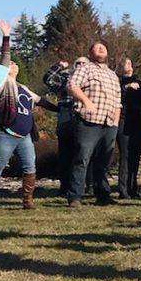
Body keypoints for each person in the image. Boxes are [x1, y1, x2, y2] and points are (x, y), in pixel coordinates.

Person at [0, 22, 58, 212]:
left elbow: (41, 101)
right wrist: (6, 37)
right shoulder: (1, 84)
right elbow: (5, 61)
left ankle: (27, 200)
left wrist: (60, 109)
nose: (13, 65)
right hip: (5, 134)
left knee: (30, 167)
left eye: (15, 64)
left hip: (24, 137)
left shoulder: (24, 89)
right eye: (10, 65)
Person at [68, 43, 122, 207]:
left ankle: (103, 195)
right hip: (88, 122)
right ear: (90, 53)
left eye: (104, 47)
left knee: (103, 162)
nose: (101, 49)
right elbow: (72, 85)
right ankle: (75, 196)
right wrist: (86, 101)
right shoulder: (85, 68)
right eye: (97, 47)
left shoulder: (112, 74)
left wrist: (115, 122)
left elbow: (118, 101)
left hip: (109, 124)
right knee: (82, 159)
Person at [43, 57, 81, 197]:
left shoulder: (91, 80)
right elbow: (48, 78)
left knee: (82, 154)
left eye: (84, 63)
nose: (81, 66)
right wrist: (59, 65)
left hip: (84, 117)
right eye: (78, 63)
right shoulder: (65, 79)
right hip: (66, 115)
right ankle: (64, 187)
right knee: (65, 153)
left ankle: (85, 187)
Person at [116, 58, 141, 199]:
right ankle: (123, 189)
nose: (130, 66)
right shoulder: (118, 82)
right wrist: (127, 88)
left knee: (135, 156)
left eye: (131, 63)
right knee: (126, 155)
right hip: (124, 121)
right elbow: (116, 97)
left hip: (139, 120)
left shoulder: (139, 82)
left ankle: (133, 187)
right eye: (127, 64)